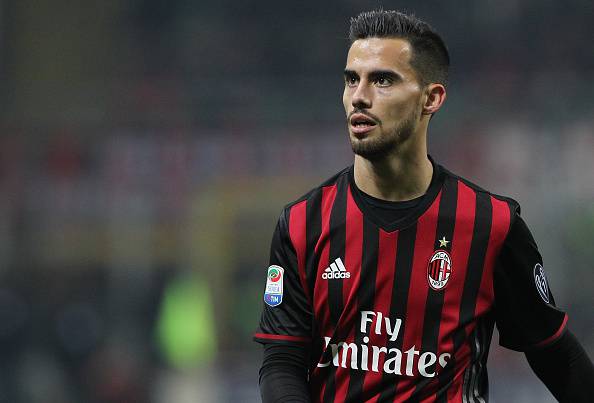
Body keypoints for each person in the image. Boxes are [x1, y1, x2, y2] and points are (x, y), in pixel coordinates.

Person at [254, 10, 593, 402]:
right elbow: (281, 362)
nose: (359, 96)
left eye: (383, 80)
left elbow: (557, 357)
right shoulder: (302, 223)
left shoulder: (491, 225)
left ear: (431, 98)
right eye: (351, 79)